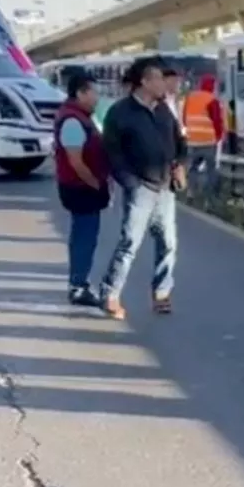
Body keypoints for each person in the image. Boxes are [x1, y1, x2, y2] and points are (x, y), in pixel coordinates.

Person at [98, 56, 188, 319]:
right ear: (145, 82)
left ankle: (162, 292)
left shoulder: (163, 111)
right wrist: (131, 183)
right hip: (141, 189)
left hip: (165, 188)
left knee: (168, 243)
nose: (165, 83)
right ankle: (110, 294)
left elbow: (179, 142)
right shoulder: (120, 113)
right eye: (159, 79)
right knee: (130, 244)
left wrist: (180, 164)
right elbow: (113, 154)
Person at [53, 70, 110, 306]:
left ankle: (79, 282)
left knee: (83, 236)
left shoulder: (81, 117)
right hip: (81, 189)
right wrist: (96, 183)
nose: (97, 97)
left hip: (80, 187)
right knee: (84, 238)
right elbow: (76, 161)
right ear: (81, 93)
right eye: (94, 92)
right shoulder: (73, 121)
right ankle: (78, 286)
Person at [180, 73, 226, 204]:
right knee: (211, 170)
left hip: (192, 140)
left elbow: (184, 119)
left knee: (192, 168)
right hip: (208, 141)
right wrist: (219, 137)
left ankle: (190, 193)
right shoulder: (212, 100)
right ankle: (209, 198)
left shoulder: (190, 98)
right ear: (212, 86)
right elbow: (217, 121)